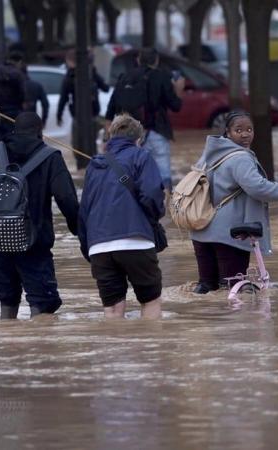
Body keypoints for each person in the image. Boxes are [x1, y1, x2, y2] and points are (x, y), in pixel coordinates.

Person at [0, 112, 79, 319]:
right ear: (40, 132)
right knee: (42, 303)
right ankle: (37, 347)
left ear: (14, 129)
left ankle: (8, 345)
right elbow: (67, 199)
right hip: (34, 243)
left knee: (7, 300)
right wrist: (79, 229)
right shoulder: (50, 157)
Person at [189, 111, 278, 294]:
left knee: (207, 290)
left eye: (249, 129)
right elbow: (259, 188)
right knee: (234, 290)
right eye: (238, 130)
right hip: (229, 235)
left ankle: (203, 321)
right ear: (228, 133)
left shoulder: (209, 154)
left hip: (201, 231)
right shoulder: (240, 157)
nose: (245, 134)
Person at [78, 114, 165, 319]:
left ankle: (114, 348)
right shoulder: (141, 156)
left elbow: (84, 210)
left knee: (113, 310)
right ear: (139, 139)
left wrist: (88, 248)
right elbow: (152, 196)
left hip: (99, 247)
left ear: (110, 137)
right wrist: (154, 218)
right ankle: (153, 350)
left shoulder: (94, 164)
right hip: (136, 242)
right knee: (150, 301)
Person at [105, 47, 184, 193]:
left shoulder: (124, 77)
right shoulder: (161, 76)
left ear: (138, 60)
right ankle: (165, 208)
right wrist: (179, 89)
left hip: (128, 134)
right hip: (156, 130)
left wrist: (108, 139)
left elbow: (111, 110)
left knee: (133, 171)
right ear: (157, 60)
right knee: (163, 172)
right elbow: (175, 106)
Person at [56, 49, 109, 168]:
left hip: (82, 115)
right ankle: (89, 165)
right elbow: (105, 87)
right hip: (90, 114)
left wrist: (59, 115)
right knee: (89, 143)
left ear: (70, 61)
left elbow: (63, 97)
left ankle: (86, 165)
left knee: (80, 143)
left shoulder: (73, 76)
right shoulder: (82, 74)